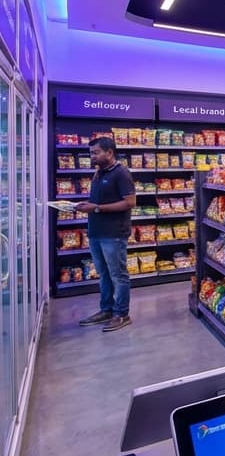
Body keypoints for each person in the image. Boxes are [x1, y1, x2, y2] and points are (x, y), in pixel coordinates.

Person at [76, 137, 136, 332]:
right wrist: (85, 205)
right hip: (96, 232)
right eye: (91, 153)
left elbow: (130, 202)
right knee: (104, 275)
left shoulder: (121, 173)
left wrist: (97, 208)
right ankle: (107, 310)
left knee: (118, 275)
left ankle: (122, 314)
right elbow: (99, 201)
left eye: (96, 153)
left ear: (109, 152)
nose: (92, 156)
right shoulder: (99, 173)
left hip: (113, 233)